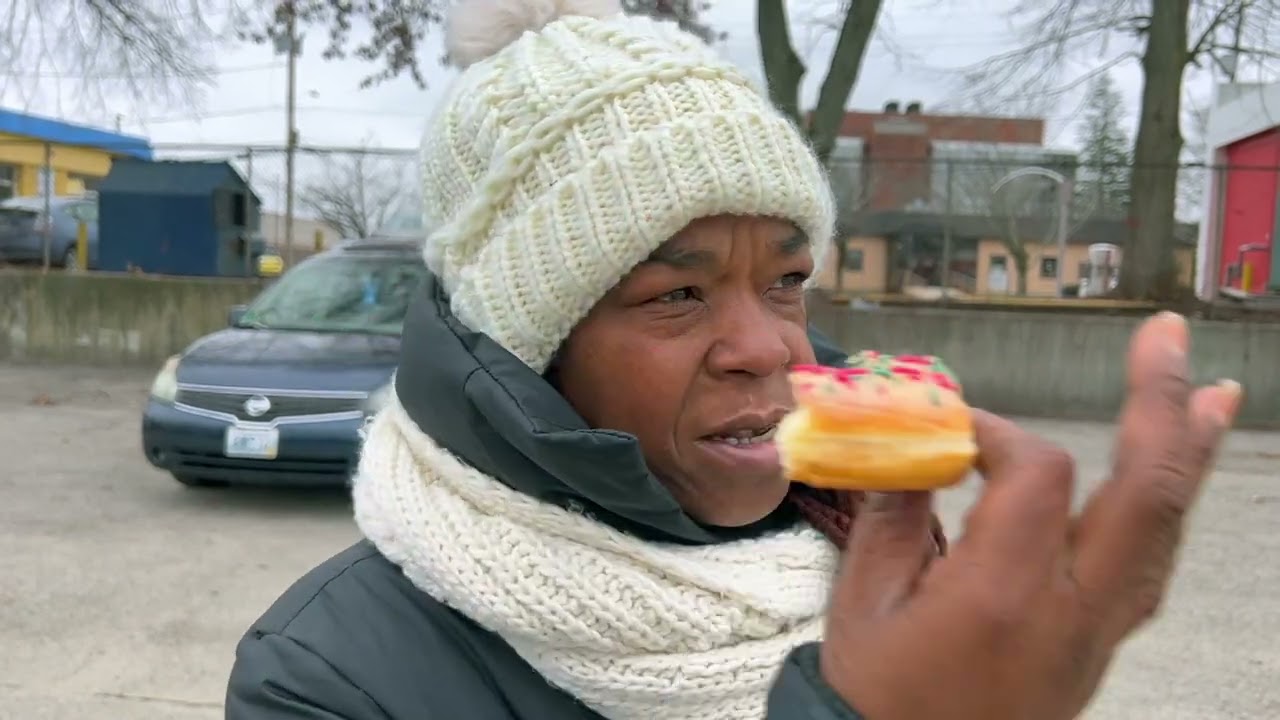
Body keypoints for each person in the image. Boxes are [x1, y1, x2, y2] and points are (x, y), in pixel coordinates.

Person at [224, 2, 1242, 718]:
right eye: (675, 294)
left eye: (787, 280)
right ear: (526, 343)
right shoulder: (329, 678)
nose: (771, 348)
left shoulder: (883, 570)